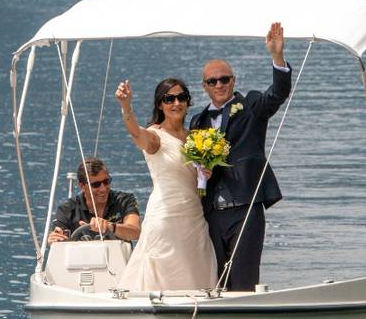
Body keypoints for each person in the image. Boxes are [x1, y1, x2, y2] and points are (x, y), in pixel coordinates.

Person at [189, 22, 291, 292]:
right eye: (213, 81)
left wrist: (277, 57)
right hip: (211, 211)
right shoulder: (197, 120)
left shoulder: (251, 105)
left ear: (233, 80)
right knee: (215, 278)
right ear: (205, 86)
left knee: (244, 278)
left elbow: (277, 94)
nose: (220, 85)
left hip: (246, 204)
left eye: (225, 79)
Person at [114, 78, 217, 291]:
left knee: (196, 272)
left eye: (181, 98)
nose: (176, 103)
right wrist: (126, 106)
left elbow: (197, 177)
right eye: (169, 98)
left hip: (195, 217)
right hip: (165, 217)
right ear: (160, 104)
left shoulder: (195, 138)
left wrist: (206, 173)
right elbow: (136, 133)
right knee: (161, 273)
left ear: (188, 102)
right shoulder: (155, 136)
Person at [48, 158, 141, 244]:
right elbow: (59, 240)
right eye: (96, 184)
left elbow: (135, 232)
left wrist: (109, 226)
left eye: (106, 181)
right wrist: (55, 240)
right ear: (82, 186)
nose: (103, 188)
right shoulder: (66, 210)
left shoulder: (125, 201)